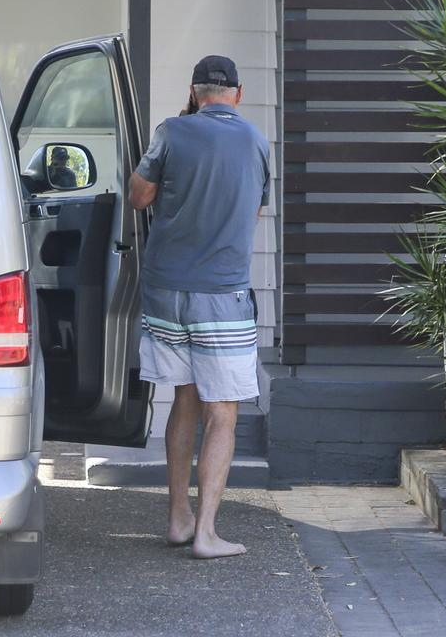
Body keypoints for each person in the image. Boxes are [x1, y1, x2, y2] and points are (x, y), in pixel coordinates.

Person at [128, 55, 270, 560]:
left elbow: (138, 196)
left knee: (183, 399)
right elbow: (253, 207)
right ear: (237, 92)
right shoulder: (255, 141)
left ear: (194, 91)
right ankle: (207, 533)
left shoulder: (171, 132)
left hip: (167, 293)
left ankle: (176, 518)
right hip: (222, 295)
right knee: (223, 414)